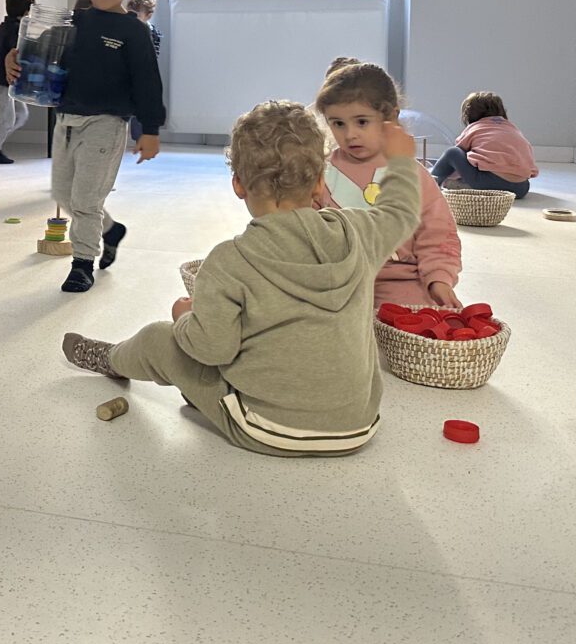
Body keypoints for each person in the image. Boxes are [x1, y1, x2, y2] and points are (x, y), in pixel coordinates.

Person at [61, 102, 420, 457]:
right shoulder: (359, 232)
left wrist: (184, 318)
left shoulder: (229, 261)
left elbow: (211, 349)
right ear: (319, 183)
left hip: (267, 428)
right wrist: (402, 161)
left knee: (159, 339)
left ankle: (112, 359)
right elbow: (401, 211)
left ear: (238, 185)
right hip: (357, 426)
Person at [7, 0, 165, 293]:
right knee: (64, 193)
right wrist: (13, 58)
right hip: (66, 120)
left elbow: (148, 82)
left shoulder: (134, 31)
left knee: (87, 199)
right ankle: (111, 230)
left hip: (106, 123)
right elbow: (37, 52)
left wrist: (150, 128)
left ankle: (82, 264)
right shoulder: (73, 21)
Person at [315, 59, 462, 309]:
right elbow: (306, 231)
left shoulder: (412, 174)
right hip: (339, 281)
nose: (350, 134)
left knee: (416, 320)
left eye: (362, 122)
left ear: (391, 117)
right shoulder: (321, 173)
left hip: (401, 279)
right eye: (338, 123)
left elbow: (437, 234)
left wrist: (439, 279)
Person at [432, 92, 539, 199]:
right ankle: (468, 186)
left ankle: (431, 183)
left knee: (453, 152)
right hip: (521, 188)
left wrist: (448, 174)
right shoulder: (513, 129)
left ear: (468, 114)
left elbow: (459, 154)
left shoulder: (475, 127)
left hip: (489, 182)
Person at [0, 0, 34, 165]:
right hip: (0, 81)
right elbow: (18, 52)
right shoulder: (16, 29)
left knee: (21, 114)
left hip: (4, 81)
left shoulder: (4, 26)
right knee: (5, 119)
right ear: (27, 10)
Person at [126, 0, 164, 146]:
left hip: (141, 76)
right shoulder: (126, 29)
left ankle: (140, 138)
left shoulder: (150, 32)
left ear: (148, 16)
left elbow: (152, 58)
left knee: (140, 108)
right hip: (126, 75)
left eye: (136, 15)